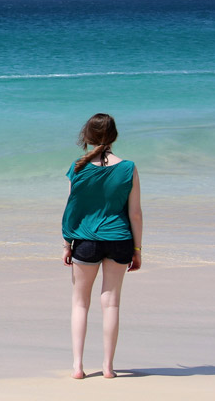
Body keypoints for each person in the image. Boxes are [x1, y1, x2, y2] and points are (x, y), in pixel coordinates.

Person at [61, 113, 143, 380]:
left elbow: (72, 209)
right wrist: (137, 250)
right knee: (111, 304)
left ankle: (78, 367)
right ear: (114, 136)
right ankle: (108, 368)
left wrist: (66, 242)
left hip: (85, 240)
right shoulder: (128, 167)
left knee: (80, 304)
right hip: (119, 240)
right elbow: (136, 214)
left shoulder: (78, 167)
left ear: (87, 136)